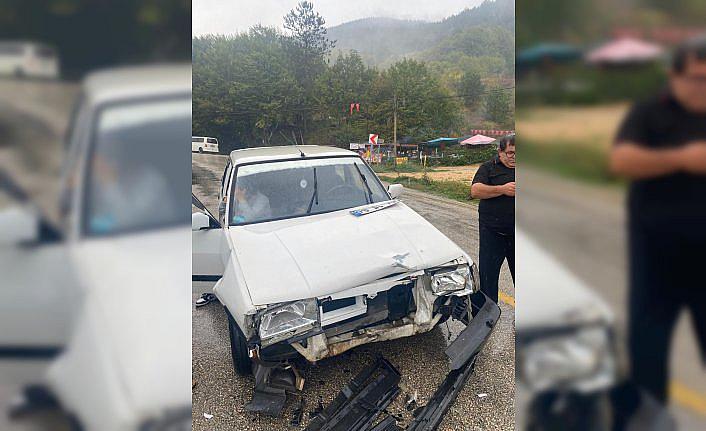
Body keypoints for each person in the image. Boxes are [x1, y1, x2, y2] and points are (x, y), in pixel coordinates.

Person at [610, 35, 706, 410]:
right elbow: (622, 161)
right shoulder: (650, 112)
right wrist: (682, 158)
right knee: (648, 357)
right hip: (656, 254)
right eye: (696, 79)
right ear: (674, 77)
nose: (703, 88)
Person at [471, 135, 515, 303]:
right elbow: (475, 191)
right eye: (510, 153)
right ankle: (487, 315)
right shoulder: (488, 168)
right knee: (488, 278)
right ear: (500, 152)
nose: (514, 157)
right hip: (493, 232)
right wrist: (502, 189)